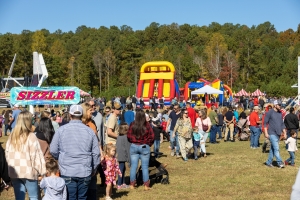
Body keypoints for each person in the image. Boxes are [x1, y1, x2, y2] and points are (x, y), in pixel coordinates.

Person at [50, 104, 100, 200]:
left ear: (70, 115)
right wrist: (94, 168)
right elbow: (96, 153)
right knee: (82, 197)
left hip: (67, 170)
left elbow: (53, 150)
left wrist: (60, 158)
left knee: (70, 197)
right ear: (81, 115)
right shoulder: (90, 132)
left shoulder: (61, 130)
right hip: (84, 171)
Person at [5, 111, 46, 200]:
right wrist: (42, 171)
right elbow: (36, 156)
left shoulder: (12, 136)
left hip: (15, 171)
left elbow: (7, 154)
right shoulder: (31, 136)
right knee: (34, 196)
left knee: (19, 197)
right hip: (29, 171)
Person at [127, 109, 154, 190]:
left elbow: (128, 136)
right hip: (144, 146)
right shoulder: (147, 125)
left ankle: (132, 184)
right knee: (145, 167)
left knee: (133, 166)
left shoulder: (132, 124)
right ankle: (146, 185)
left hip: (134, 146)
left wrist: (133, 141)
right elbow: (152, 137)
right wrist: (148, 144)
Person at [264, 100, 286, 168]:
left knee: (273, 150)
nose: (280, 106)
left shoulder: (280, 113)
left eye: (280, 105)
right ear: (275, 105)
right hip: (272, 133)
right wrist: (266, 133)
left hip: (278, 133)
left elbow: (282, 124)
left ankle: (268, 162)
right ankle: (280, 162)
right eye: (279, 105)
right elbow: (265, 123)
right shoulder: (269, 112)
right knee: (276, 148)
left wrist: (284, 133)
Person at [116, 123, 131, 190]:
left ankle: (123, 182)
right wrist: (129, 159)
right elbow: (128, 148)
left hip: (118, 155)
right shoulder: (126, 138)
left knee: (123, 169)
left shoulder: (118, 137)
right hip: (123, 155)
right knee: (121, 170)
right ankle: (119, 184)